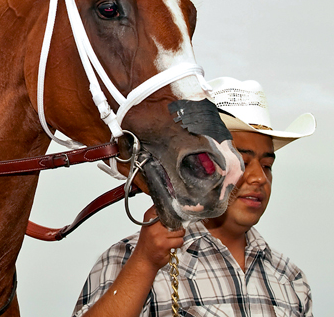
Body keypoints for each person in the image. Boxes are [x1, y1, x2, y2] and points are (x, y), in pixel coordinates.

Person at [72, 77, 315, 316]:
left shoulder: (290, 279)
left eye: (267, 166)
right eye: (241, 160)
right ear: (203, 162)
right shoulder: (127, 259)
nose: (259, 178)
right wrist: (144, 264)